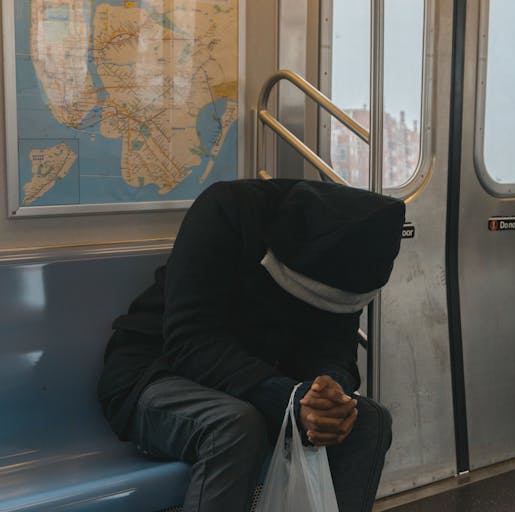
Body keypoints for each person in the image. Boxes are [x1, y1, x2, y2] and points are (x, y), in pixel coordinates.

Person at [97, 179, 406, 512]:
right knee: (235, 426)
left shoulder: (351, 252)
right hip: (155, 374)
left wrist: (330, 390)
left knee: (369, 421)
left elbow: (334, 344)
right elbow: (189, 340)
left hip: (258, 386)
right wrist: (290, 399)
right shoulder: (227, 209)